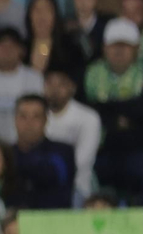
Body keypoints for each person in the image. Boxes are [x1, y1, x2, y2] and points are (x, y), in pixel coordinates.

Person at [82, 18, 143, 232]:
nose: (119, 51)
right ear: (105, 48)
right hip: (99, 154)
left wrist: (107, 111)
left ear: (136, 49)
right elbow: (87, 110)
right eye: (114, 45)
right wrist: (126, 114)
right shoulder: (89, 76)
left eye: (125, 46)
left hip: (140, 154)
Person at [42, 67, 101, 202]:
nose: (54, 90)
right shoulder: (36, 116)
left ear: (72, 88)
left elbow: (82, 161)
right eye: (50, 83)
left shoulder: (89, 117)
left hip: (78, 188)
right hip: (40, 185)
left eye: (61, 84)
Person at [10, 95, 77, 210]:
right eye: (23, 116)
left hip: (52, 217)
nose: (29, 123)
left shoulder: (62, 152)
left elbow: (53, 178)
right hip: (12, 219)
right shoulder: (5, 153)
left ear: (46, 120)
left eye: (36, 117)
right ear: (15, 120)